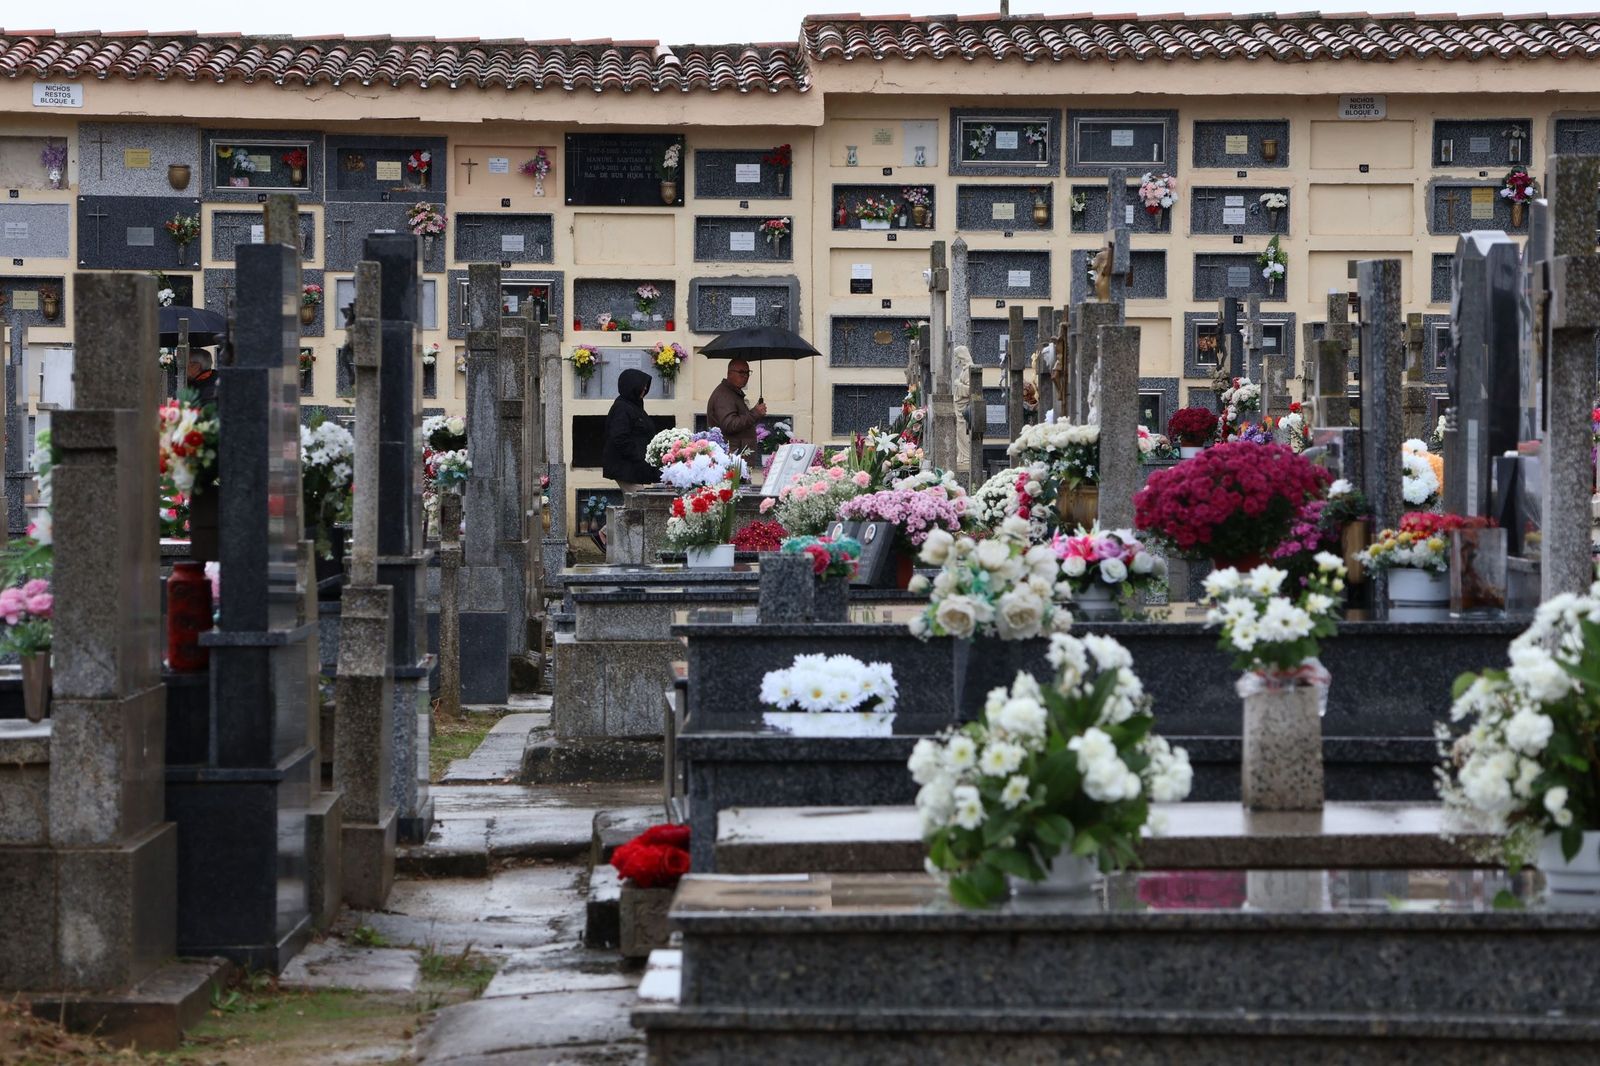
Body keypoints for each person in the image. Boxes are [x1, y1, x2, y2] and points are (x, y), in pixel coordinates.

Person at [602, 368, 662, 494]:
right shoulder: (622, 408)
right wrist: (637, 455)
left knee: (637, 501)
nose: (645, 389)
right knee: (641, 501)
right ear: (632, 385)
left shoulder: (634, 406)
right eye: (642, 385)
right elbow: (619, 437)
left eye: (646, 386)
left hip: (634, 468)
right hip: (625, 468)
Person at [706, 358, 766, 457]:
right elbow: (730, 424)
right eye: (741, 372)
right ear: (729, 373)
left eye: (747, 372)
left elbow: (740, 419)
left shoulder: (733, 392)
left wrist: (756, 412)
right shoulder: (724, 395)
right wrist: (754, 413)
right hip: (732, 457)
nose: (745, 376)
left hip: (738, 455)